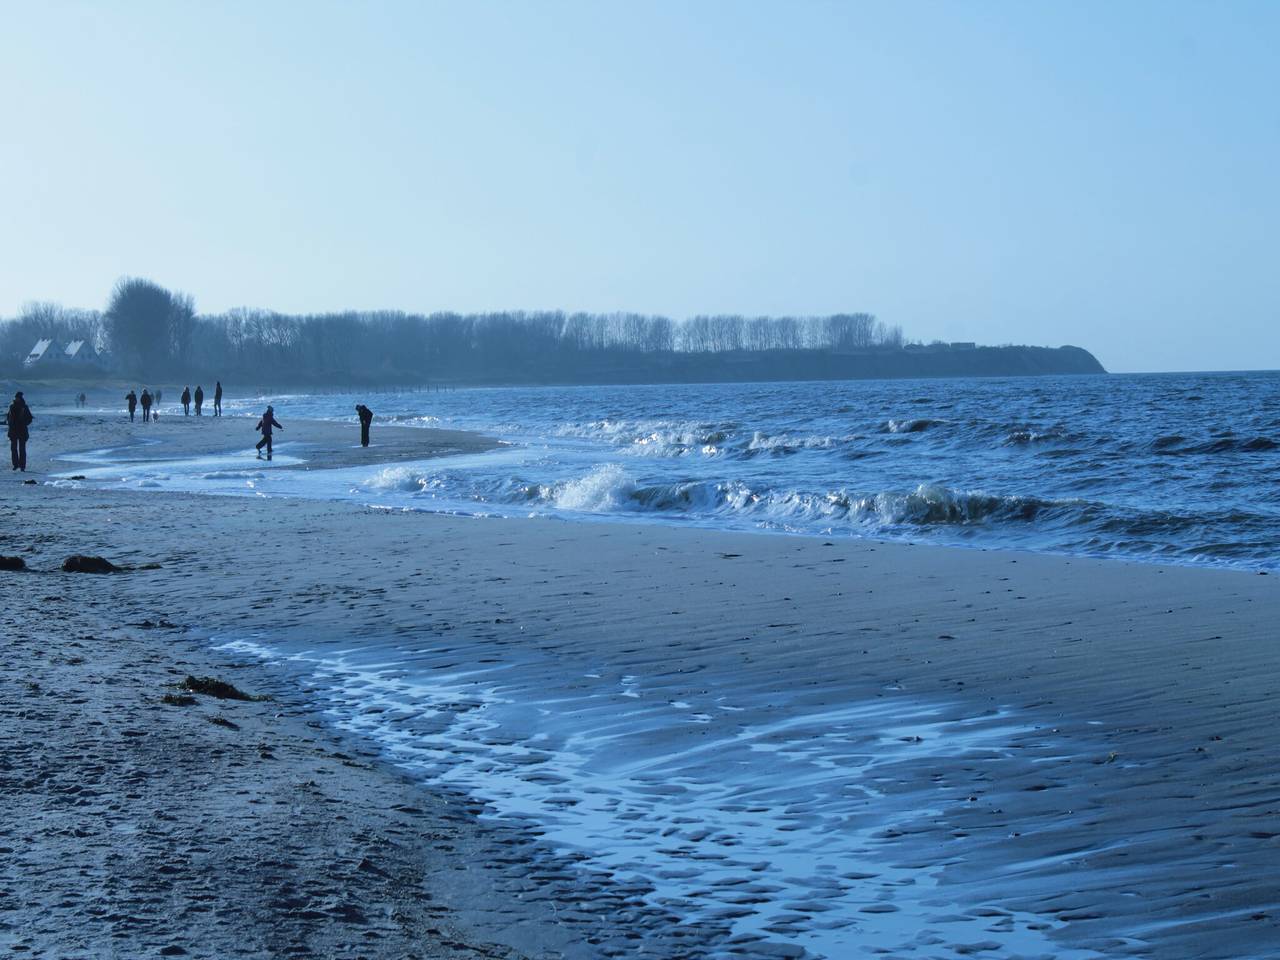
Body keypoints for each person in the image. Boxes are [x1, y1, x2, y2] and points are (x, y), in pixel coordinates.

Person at [6, 392, 33, 472]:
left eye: (18, 397)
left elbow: (29, 418)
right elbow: (8, 418)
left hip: (22, 430)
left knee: (22, 449)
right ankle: (15, 465)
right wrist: (9, 423)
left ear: (21, 398)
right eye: (16, 397)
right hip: (13, 430)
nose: (16, 398)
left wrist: (23, 423)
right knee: (13, 449)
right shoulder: (11, 406)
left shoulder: (24, 407)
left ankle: (22, 466)